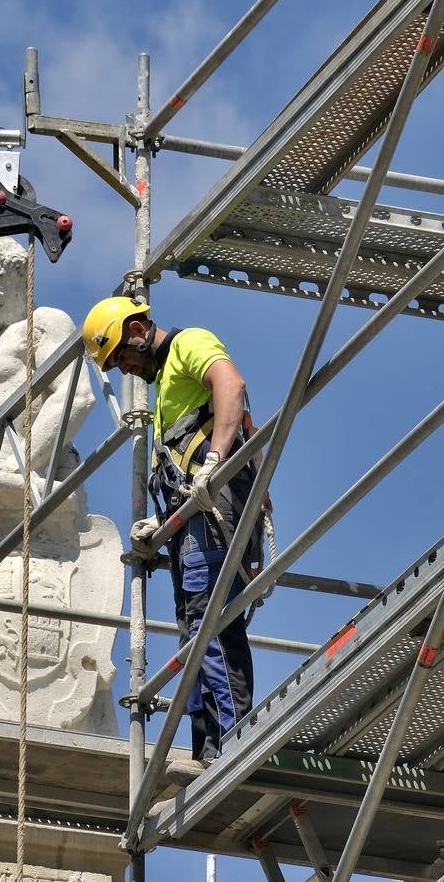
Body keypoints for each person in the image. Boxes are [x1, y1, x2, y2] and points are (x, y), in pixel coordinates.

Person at [82, 296, 262, 785]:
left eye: (122, 355)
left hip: (214, 515)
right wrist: (158, 530)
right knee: (194, 630)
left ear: (138, 329)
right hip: (193, 525)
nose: (126, 368)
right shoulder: (164, 389)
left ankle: (235, 742)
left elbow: (231, 384)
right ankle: (210, 747)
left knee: (209, 624)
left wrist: (213, 460)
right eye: (116, 364)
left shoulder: (188, 344)